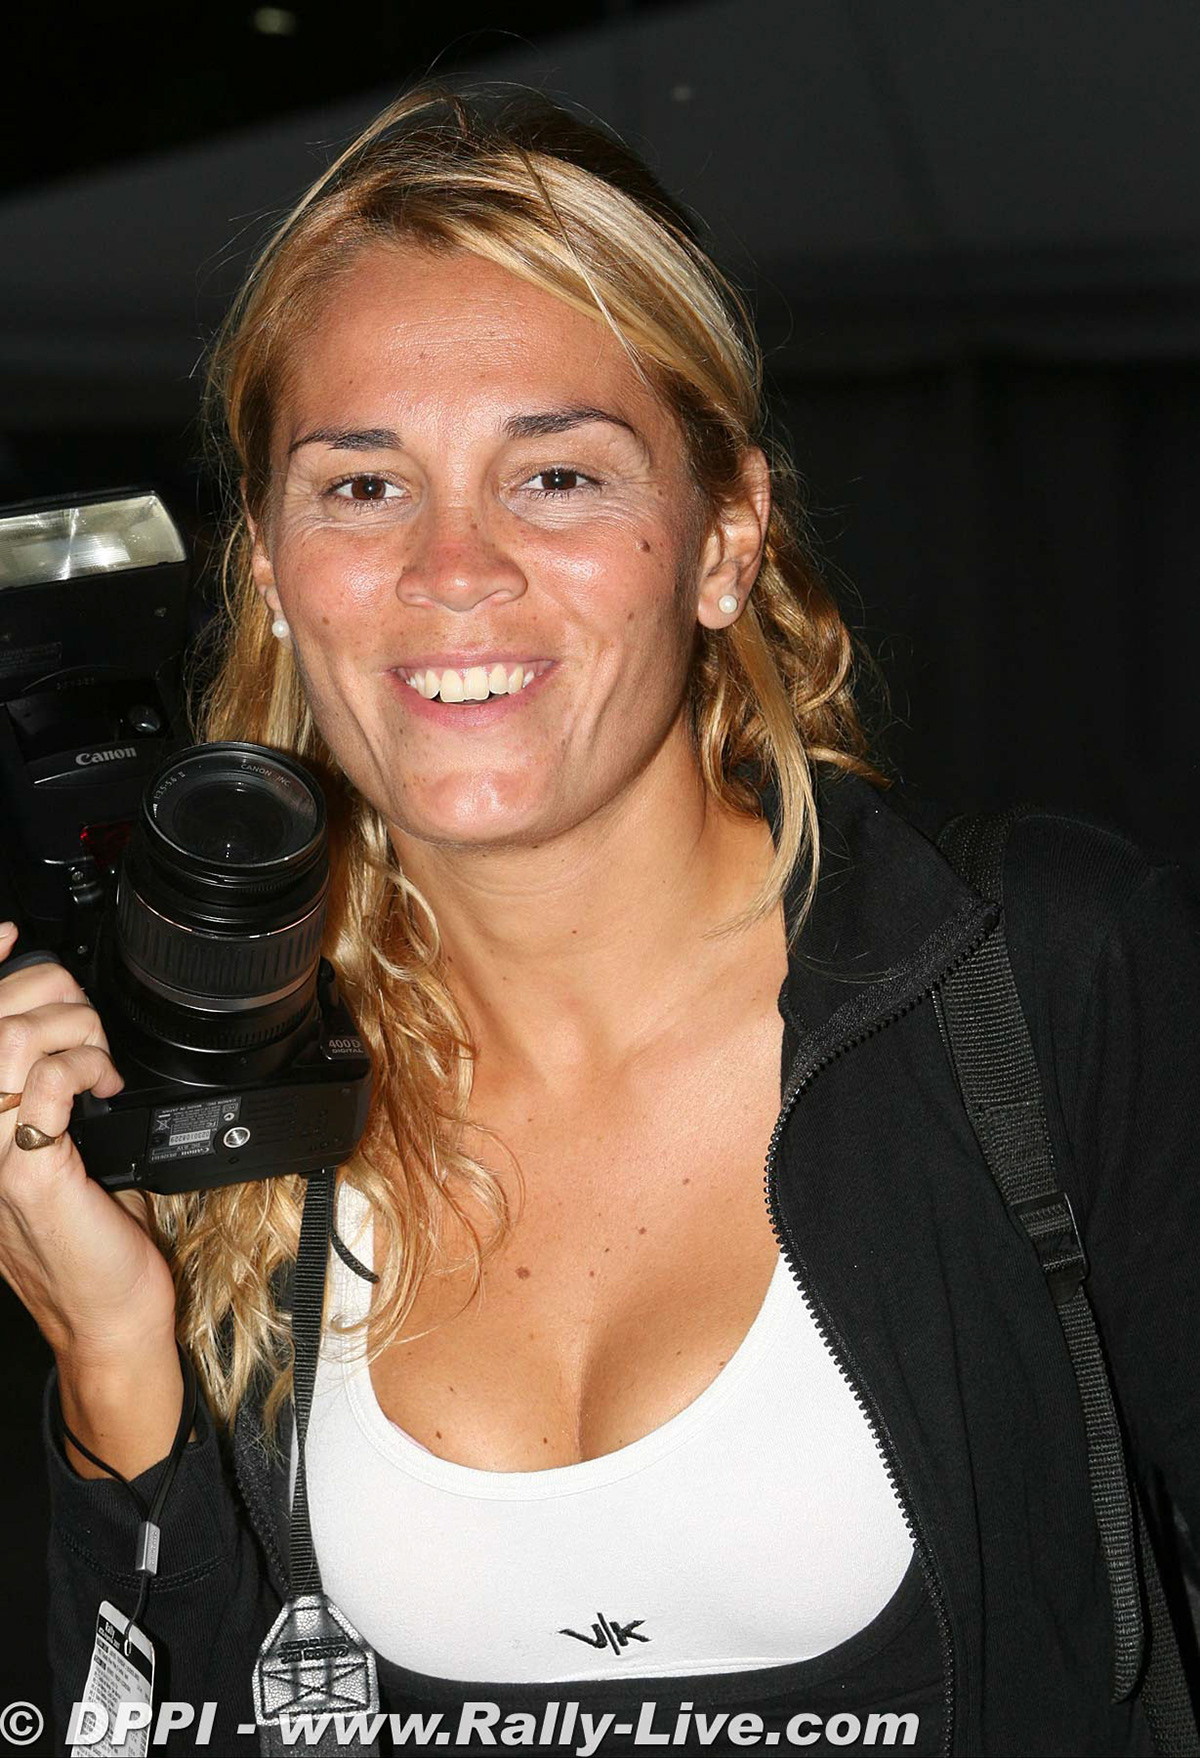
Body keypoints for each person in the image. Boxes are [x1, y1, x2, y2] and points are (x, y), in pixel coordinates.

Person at [2, 84, 1196, 1757]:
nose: (454, 567)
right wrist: (118, 1372)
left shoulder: (1041, 977)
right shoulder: (212, 1095)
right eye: (364, 486)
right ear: (268, 565)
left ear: (724, 538)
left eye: (556, 474)